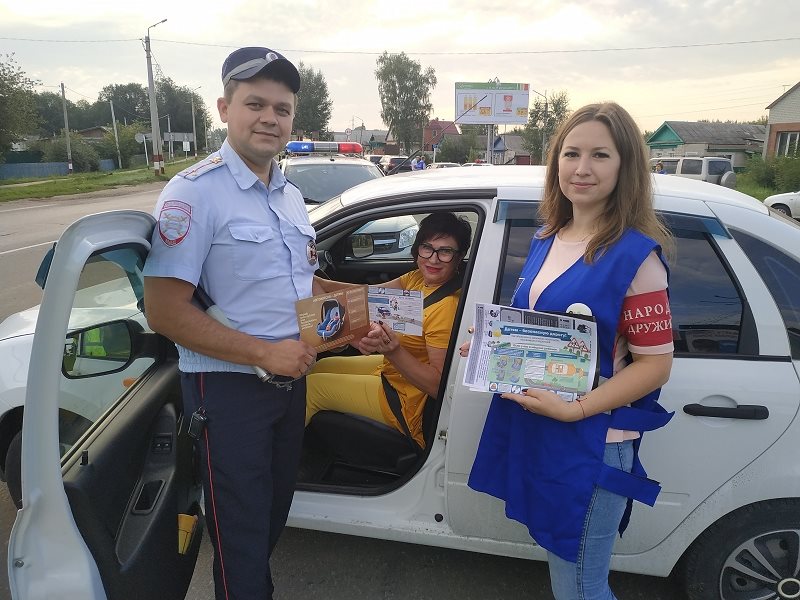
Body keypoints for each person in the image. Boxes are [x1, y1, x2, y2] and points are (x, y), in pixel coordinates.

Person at [143, 46, 338, 599]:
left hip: (289, 382)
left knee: (270, 516)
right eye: (256, 104)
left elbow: (301, 285)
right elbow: (162, 310)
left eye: (282, 108)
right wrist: (262, 352)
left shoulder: (290, 195)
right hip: (228, 389)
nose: (270, 118)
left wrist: (350, 317)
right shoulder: (194, 194)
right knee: (240, 536)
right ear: (225, 107)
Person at [465, 102, 674, 599]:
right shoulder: (548, 237)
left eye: (600, 155)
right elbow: (543, 329)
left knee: (580, 585)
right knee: (566, 569)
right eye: (571, 153)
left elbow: (656, 365)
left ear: (625, 168)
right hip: (545, 428)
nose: (581, 169)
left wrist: (576, 409)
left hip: (592, 442)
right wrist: (494, 345)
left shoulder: (636, 257)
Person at [305, 212, 471, 448]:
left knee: (312, 389)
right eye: (427, 248)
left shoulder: (446, 307)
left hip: (408, 400)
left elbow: (438, 386)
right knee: (321, 365)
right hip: (394, 373)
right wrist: (316, 283)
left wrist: (393, 351)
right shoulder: (417, 279)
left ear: (459, 257)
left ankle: (279, 464)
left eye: (445, 251)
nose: (433, 259)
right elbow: (369, 295)